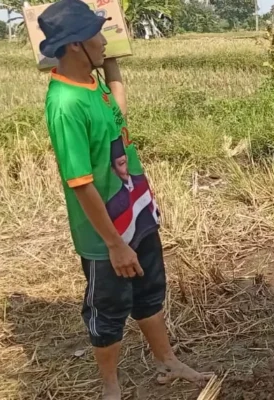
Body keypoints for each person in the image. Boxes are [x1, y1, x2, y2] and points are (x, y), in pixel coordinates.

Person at [39, 1, 212, 398]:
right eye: (97, 36)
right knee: (110, 309)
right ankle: (110, 386)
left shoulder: (91, 82)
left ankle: (167, 360)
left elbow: (118, 112)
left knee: (150, 290)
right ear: (74, 47)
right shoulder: (65, 104)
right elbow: (81, 183)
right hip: (105, 234)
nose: (104, 41)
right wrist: (115, 246)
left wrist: (112, 61)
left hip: (133, 211)